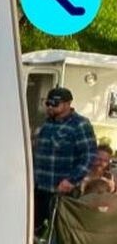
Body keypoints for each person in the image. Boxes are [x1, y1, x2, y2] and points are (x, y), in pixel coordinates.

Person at [31, 87, 96, 232]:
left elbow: (89, 155)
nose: (50, 107)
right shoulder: (46, 124)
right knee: (36, 229)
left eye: (55, 103)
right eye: (48, 103)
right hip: (39, 188)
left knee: (58, 232)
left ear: (68, 104)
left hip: (62, 191)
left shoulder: (80, 124)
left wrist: (72, 180)